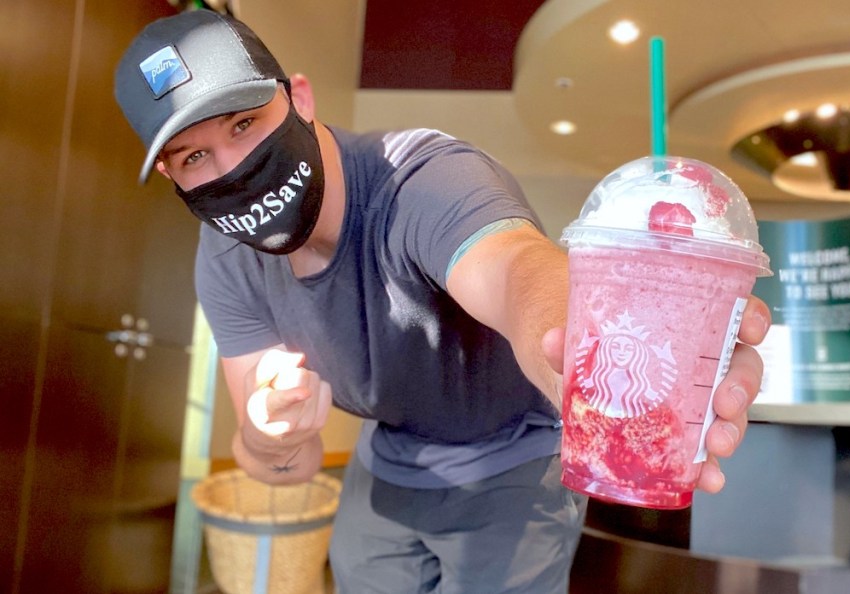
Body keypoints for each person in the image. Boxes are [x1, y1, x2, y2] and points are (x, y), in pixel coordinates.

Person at [114, 9, 771, 593]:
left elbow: (516, 269)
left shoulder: (422, 178)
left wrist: (588, 347)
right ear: (173, 175)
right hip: (389, 459)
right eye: (196, 154)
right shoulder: (227, 259)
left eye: (245, 122)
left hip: (514, 455)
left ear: (301, 99)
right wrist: (272, 430)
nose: (232, 165)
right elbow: (286, 468)